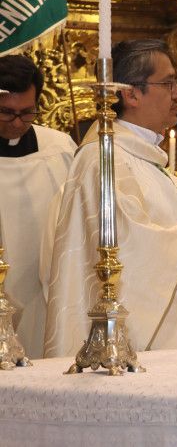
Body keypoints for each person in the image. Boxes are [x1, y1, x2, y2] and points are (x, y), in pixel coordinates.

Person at [42, 39, 177, 358]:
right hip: (135, 353)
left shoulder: (149, 161)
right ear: (130, 94)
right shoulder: (104, 160)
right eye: (169, 83)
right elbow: (125, 249)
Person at [0, 55, 76, 359]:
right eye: (6, 113)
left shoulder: (60, 148)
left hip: (44, 286)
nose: (18, 122)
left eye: (27, 112)